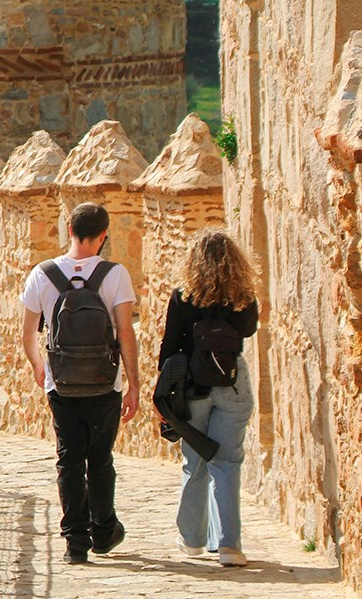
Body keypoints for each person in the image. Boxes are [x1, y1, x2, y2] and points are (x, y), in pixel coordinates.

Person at [20, 202, 139, 565]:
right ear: (103, 235)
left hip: (63, 383)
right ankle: (104, 532)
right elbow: (124, 331)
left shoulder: (42, 274)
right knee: (100, 459)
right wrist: (133, 383)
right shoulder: (115, 274)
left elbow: (27, 334)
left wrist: (41, 367)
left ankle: (75, 542)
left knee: (69, 459)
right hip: (106, 382)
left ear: (68, 230)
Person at [159, 229, 259, 567]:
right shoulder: (243, 297)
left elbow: (170, 347)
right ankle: (229, 545)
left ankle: (192, 540)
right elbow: (247, 330)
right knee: (227, 463)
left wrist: (165, 398)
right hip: (232, 382)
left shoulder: (182, 297)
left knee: (195, 459)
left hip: (192, 387)